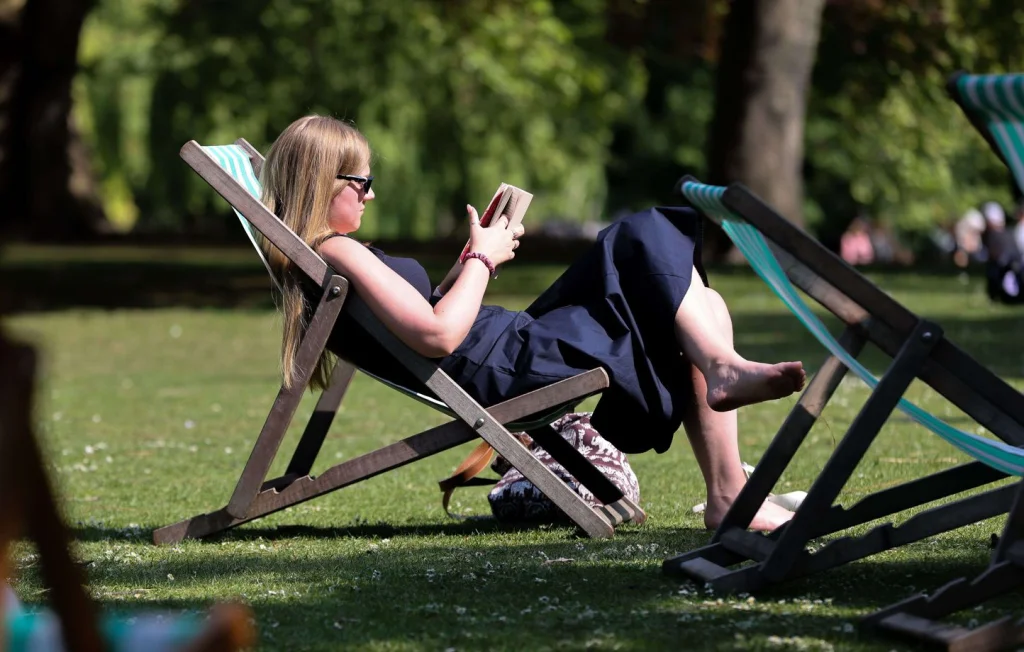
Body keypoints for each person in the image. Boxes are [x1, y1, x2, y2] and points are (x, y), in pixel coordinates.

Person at [257, 115, 807, 532]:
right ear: (319, 183)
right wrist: (483, 260)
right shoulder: (337, 252)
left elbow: (430, 311)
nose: (371, 192)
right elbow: (438, 336)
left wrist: (474, 254)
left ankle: (727, 474)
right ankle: (725, 432)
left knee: (699, 301)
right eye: (360, 181)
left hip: (510, 345)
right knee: (643, 236)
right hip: (508, 362)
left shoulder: (334, 255)